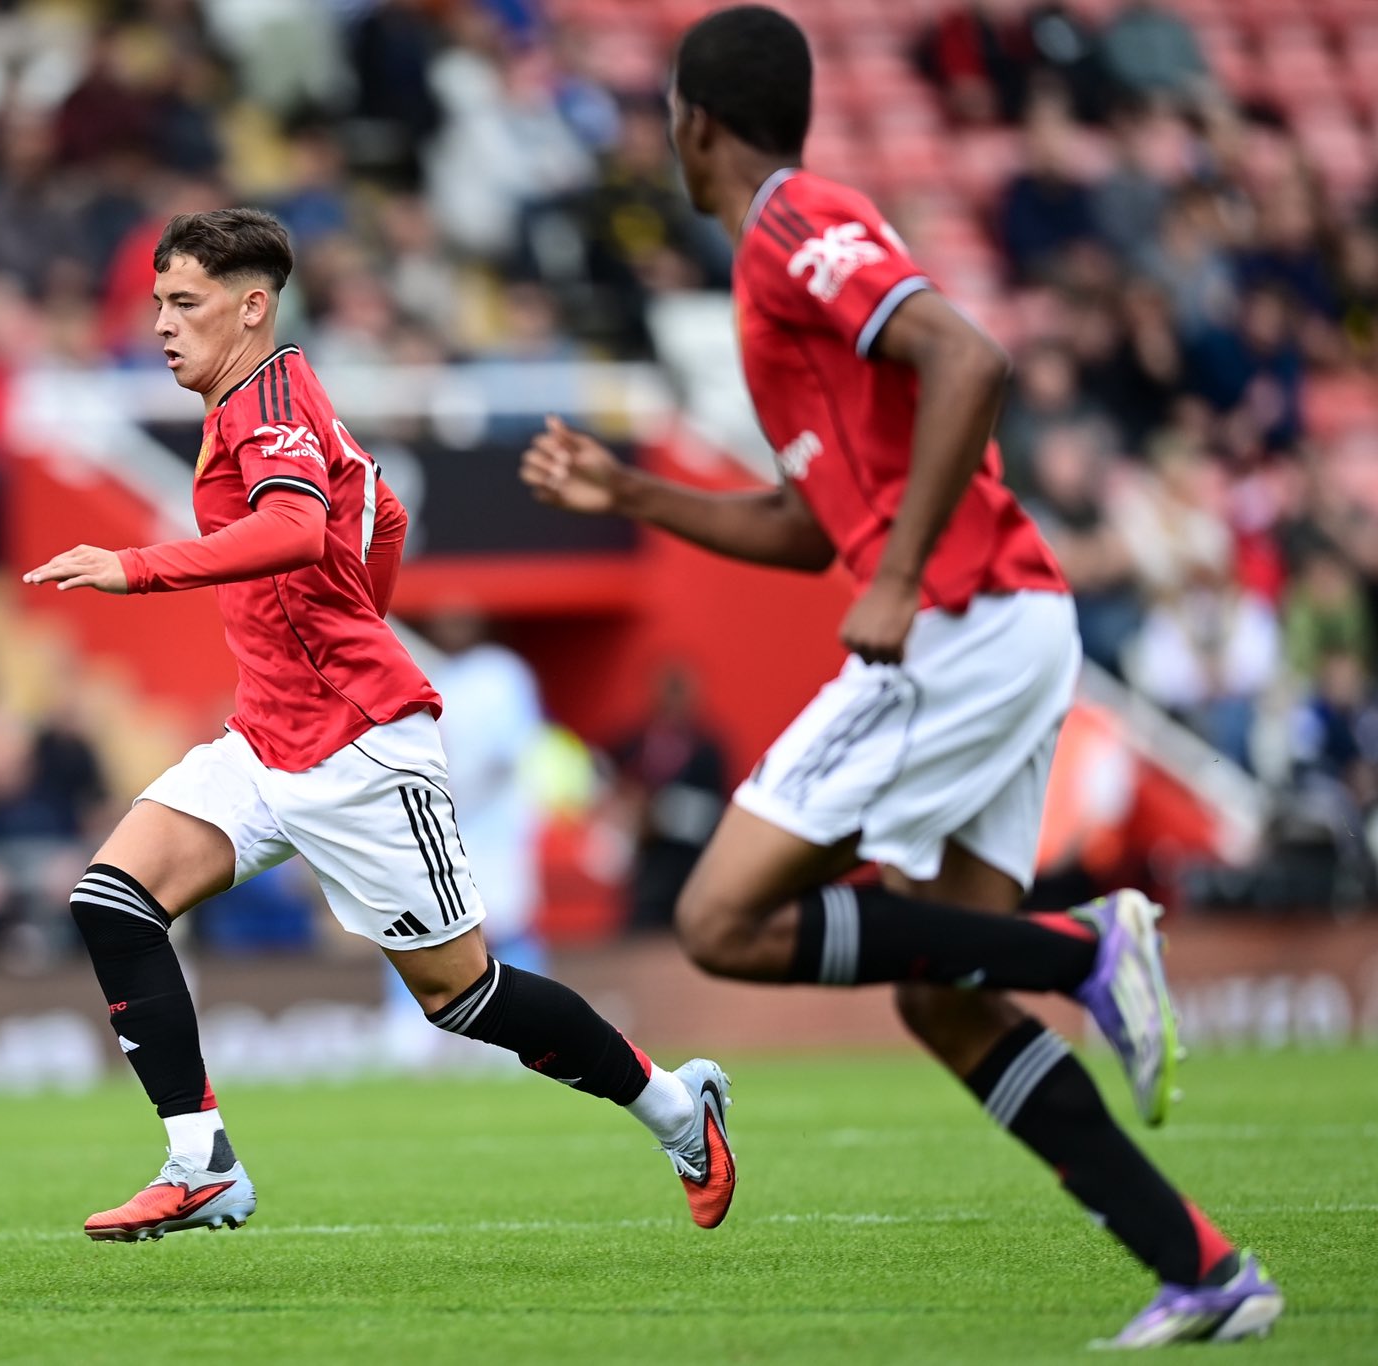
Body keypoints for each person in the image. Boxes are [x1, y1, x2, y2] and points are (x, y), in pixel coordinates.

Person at [520, 7, 1281, 1349]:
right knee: (944, 996)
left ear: (693, 120)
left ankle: (1088, 941)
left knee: (721, 918)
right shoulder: (770, 276)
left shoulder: (785, 224)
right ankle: (1203, 1266)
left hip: (960, 623)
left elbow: (968, 357)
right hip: (1000, 621)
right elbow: (811, 523)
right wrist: (631, 489)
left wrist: (899, 574)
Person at [24, 208, 734, 1242]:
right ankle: (201, 1161)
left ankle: (674, 1106)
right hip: (266, 739)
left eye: (184, 303)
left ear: (251, 307)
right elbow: (380, 512)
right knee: (111, 898)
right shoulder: (274, 392)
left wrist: (134, 567)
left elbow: (299, 523)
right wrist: (355, 609)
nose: (163, 326)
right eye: (157, 305)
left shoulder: (264, 402)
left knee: (461, 995)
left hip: (358, 746)